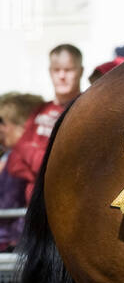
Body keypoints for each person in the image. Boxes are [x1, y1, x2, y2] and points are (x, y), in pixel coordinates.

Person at [5, 45, 83, 203]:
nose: (62, 76)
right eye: (56, 70)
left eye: (68, 70)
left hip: (67, 206)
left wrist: (28, 150)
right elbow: (14, 162)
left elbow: (65, 169)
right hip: (35, 208)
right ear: (50, 72)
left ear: (80, 71)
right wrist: (41, 173)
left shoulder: (86, 111)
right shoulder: (41, 110)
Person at [0, 93, 44, 250]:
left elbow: (8, 200)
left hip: (14, 241)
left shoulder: (22, 154)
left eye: (3, 123)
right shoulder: (17, 154)